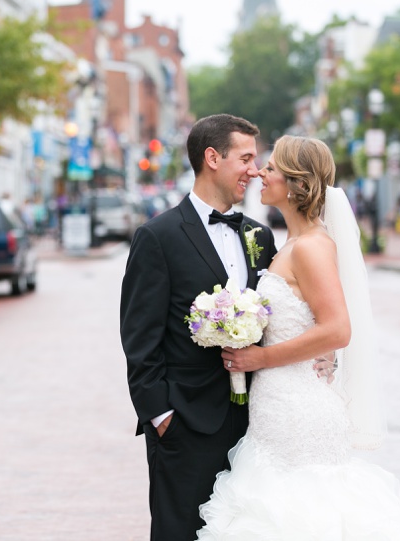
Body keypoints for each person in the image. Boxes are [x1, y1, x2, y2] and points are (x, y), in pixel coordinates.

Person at [196, 136, 400, 539]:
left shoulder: (312, 248)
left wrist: (261, 359)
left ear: (296, 183)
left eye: (270, 168)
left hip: (300, 416)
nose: (259, 174)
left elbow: (337, 329)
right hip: (275, 413)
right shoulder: (290, 244)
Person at [120, 114, 280, 541]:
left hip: (255, 426)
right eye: (246, 158)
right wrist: (161, 415)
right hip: (185, 425)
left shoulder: (259, 237)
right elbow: (139, 336)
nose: (256, 169)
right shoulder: (158, 236)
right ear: (213, 157)